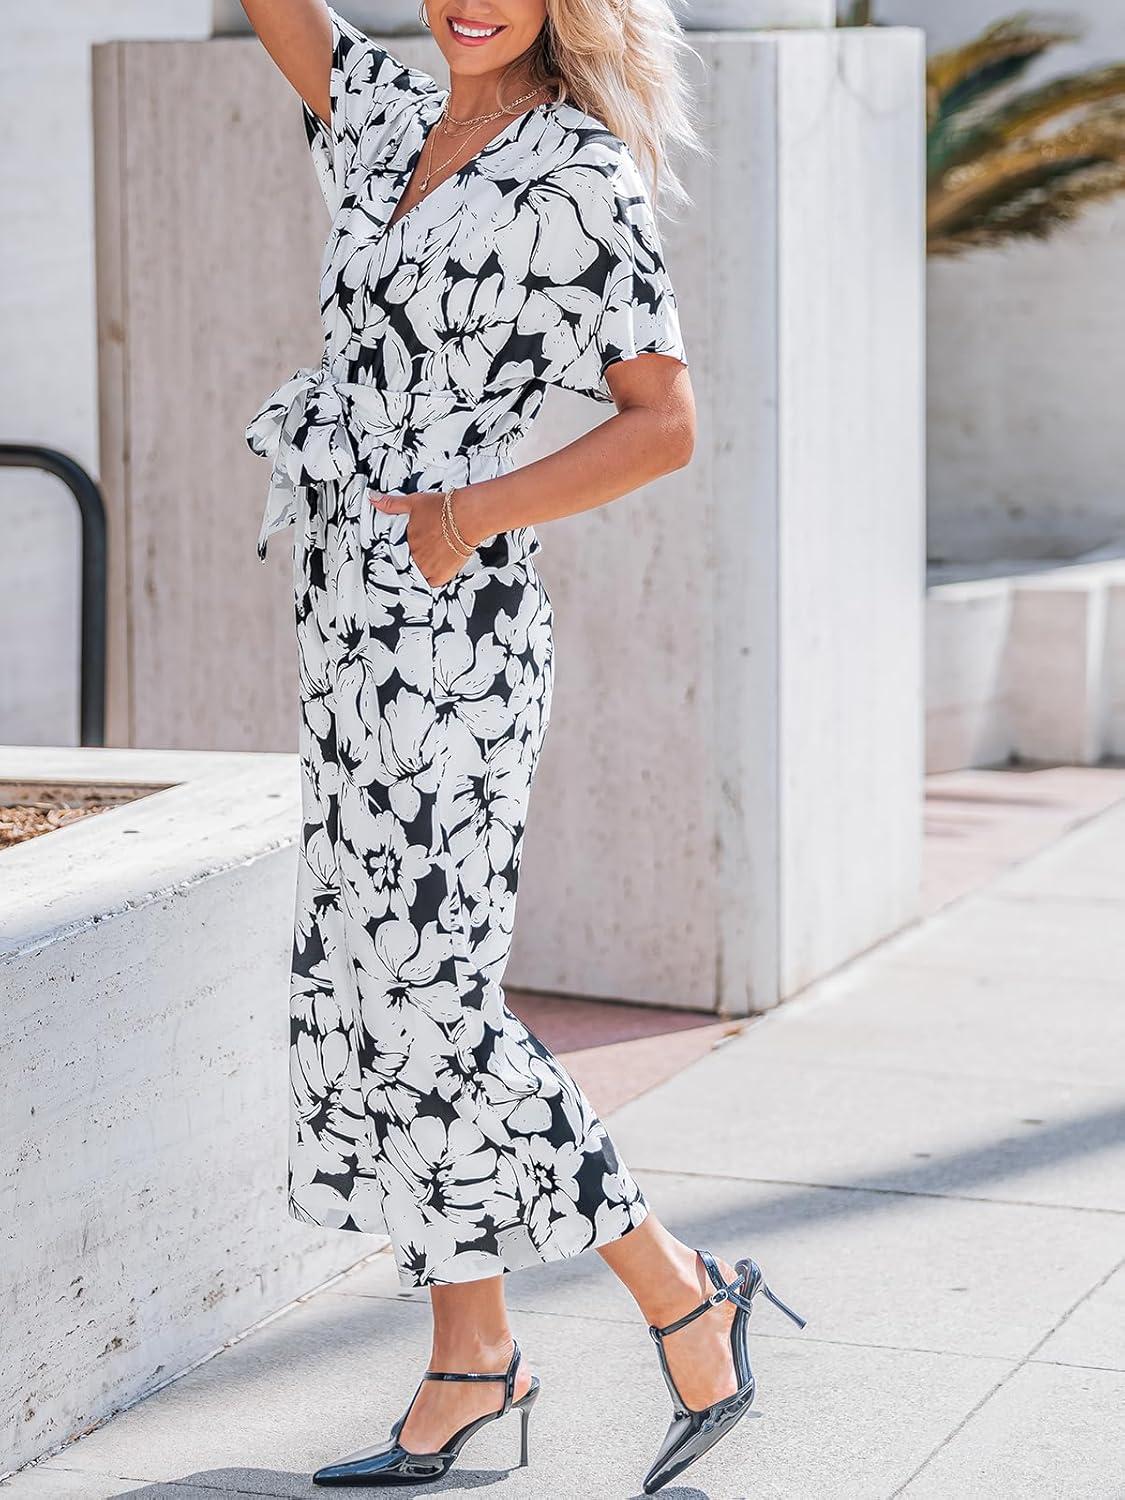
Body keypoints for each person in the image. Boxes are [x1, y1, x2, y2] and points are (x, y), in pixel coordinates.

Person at [240, 1, 804, 1491]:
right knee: (374, 997)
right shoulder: (385, 118)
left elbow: (663, 423)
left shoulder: (577, 172)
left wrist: (461, 514)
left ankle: (681, 1290)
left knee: (434, 1001)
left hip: (458, 631)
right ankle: (472, 1353)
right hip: (345, 625)